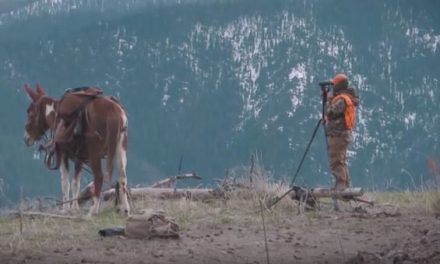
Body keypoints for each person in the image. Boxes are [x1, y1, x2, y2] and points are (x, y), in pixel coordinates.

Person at [324, 73, 359, 190]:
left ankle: (341, 186)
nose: (332, 88)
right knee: (341, 160)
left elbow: (330, 112)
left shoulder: (342, 100)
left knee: (336, 159)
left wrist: (328, 99)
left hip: (338, 135)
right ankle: (346, 186)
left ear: (339, 85)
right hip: (341, 134)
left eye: (334, 85)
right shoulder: (344, 97)